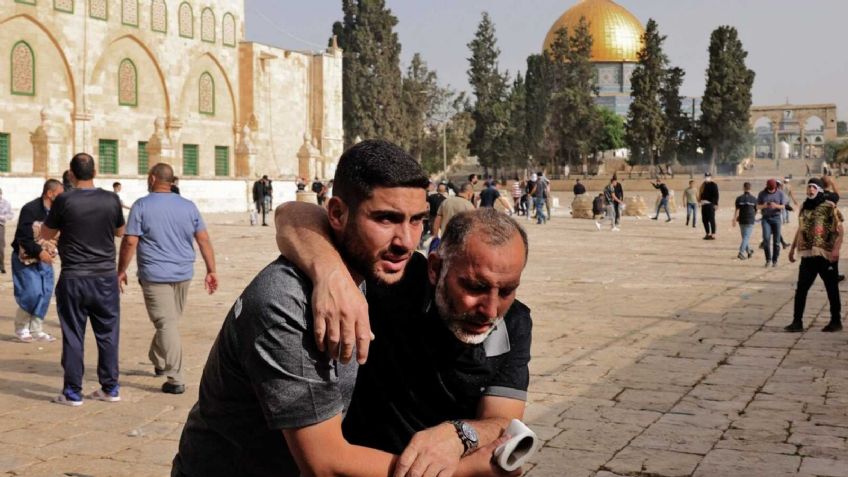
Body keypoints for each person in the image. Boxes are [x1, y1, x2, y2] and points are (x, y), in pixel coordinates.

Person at [172, 140, 508, 477]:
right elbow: (325, 464)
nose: (406, 241)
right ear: (336, 214)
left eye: (417, 220)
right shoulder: (286, 305)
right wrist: (468, 469)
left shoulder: (370, 269)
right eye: (386, 219)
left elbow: (295, 213)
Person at [274, 203, 531, 477]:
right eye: (475, 287)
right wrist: (330, 275)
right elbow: (291, 214)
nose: (491, 310)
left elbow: (503, 419)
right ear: (435, 268)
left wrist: (459, 434)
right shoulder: (396, 282)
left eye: (506, 290)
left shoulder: (513, 322)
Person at [117, 163, 218, 395]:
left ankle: (175, 378)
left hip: (155, 274)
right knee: (168, 322)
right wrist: (211, 269)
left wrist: (121, 269)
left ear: (152, 179)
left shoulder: (141, 206)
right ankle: (159, 359)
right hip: (183, 273)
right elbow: (203, 239)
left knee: (166, 323)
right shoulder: (188, 206)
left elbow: (130, 241)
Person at [40, 153, 126, 406]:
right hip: (104, 277)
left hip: (75, 276)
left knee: (73, 335)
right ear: (95, 172)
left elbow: (46, 232)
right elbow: (120, 231)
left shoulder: (64, 200)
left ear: (71, 173)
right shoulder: (111, 199)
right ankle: (110, 387)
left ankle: (73, 392)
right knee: (108, 334)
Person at [786, 178, 843, 333]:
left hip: (826, 255)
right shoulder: (804, 207)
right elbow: (801, 229)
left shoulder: (828, 206)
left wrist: (836, 250)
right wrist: (792, 249)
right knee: (801, 289)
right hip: (808, 255)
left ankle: (836, 321)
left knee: (831, 289)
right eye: (808, 187)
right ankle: (797, 322)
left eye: (813, 187)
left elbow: (840, 230)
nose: (810, 190)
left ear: (819, 189)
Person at [11, 179, 64, 343]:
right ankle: (21, 327)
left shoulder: (58, 211)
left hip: (46, 259)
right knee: (32, 293)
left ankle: (37, 329)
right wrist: (40, 252)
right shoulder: (30, 209)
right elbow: (23, 238)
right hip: (26, 259)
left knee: (46, 293)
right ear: (50, 193)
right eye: (60, 194)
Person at [757, 179, 786, 267]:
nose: (771, 190)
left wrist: (776, 205)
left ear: (776, 187)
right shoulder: (761, 194)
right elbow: (757, 206)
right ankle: (768, 260)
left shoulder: (780, 193)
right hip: (766, 218)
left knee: (776, 241)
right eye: (770, 189)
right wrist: (764, 205)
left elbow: (783, 206)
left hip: (776, 218)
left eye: (773, 189)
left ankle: (775, 260)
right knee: (766, 239)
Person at [732, 182, 757, 260]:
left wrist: (734, 219)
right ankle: (741, 252)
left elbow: (736, 210)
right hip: (750, 220)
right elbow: (756, 210)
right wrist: (753, 216)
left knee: (744, 237)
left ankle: (749, 251)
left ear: (743, 188)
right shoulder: (754, 199)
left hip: (741, 220)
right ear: (750, 188)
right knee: (746, 237)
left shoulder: (739, 198)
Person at [699, 172, 719, 240]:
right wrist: (700, 201)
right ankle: (707, 233)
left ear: (710, 177)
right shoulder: (703, 185)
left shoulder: (713, 185)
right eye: (706, 176)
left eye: (708, 176)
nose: (707, 177)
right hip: (703, 204)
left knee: (711, 219)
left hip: (710, 204)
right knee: (704, 220)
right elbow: (701, 194)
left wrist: (716, 204)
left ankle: (713, 234)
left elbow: (716, 195)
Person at [0, 188, 13, 273]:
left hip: (0, 225)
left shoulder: (5, 203)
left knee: (1, 247)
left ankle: (1, 266)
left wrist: (2, 217)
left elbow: (10, 215)